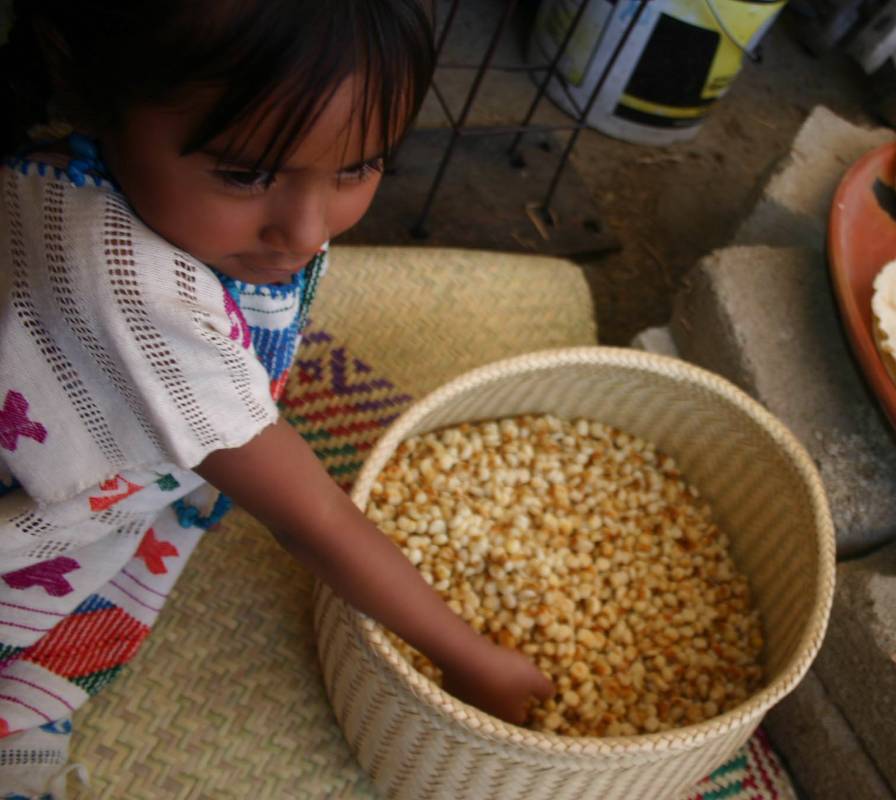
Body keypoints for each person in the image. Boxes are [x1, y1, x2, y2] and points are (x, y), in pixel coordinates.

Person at [0, 0, 553, 794]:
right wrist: (473, 659)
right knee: (54, 626)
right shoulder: (133, 291)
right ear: (100, 99)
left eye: (359, 168)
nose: (304, 230)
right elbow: (309, 519)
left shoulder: (126, 171)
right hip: (41, 497)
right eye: (246, 174)